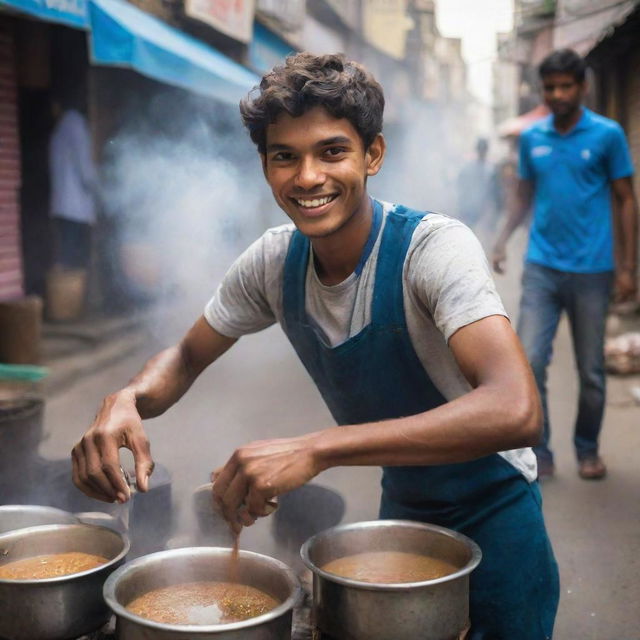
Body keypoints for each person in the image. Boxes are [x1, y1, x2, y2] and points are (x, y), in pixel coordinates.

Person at [72, 53, 559, 638]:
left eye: (332, 151)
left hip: (497, 509)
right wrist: (127, 398)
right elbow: (184, 356)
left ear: (372, 155)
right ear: (265, 166)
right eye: (285, 157)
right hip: (403, 505)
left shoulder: (432, 249)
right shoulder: (274, 262)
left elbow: (516, 409)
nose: (307, 177)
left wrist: (317, 448)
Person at [492, 49, 638, 481]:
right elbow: (522, 196)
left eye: (565, 86)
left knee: (591, 371)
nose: (557, 94)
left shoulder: (608, 135)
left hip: (594, 270)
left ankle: (587, 448)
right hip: (542, 266)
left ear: (582, 88)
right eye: (550, 87)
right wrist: (501, 241)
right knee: (530, 361)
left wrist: (628, 267)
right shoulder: (533, 138)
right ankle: (542, 451)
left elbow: (626, 198)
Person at [49, 100, 97, 272]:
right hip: (75, 208)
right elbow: (84, 166)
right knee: (75, 260)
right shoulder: (75, 124)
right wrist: (96, 188)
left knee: (65, 257)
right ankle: (70, 297)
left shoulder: (59, 129)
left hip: (62, 206)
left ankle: (64, 295)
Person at [455, 137, 500, 237]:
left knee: (484, 234)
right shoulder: (469, 168)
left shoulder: (491, 169)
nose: (482, 151)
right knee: (470, 233)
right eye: (481, 149)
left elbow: (495, 190)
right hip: (470, 207)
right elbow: (462, 186)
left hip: (485, 207)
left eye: (483, 149)